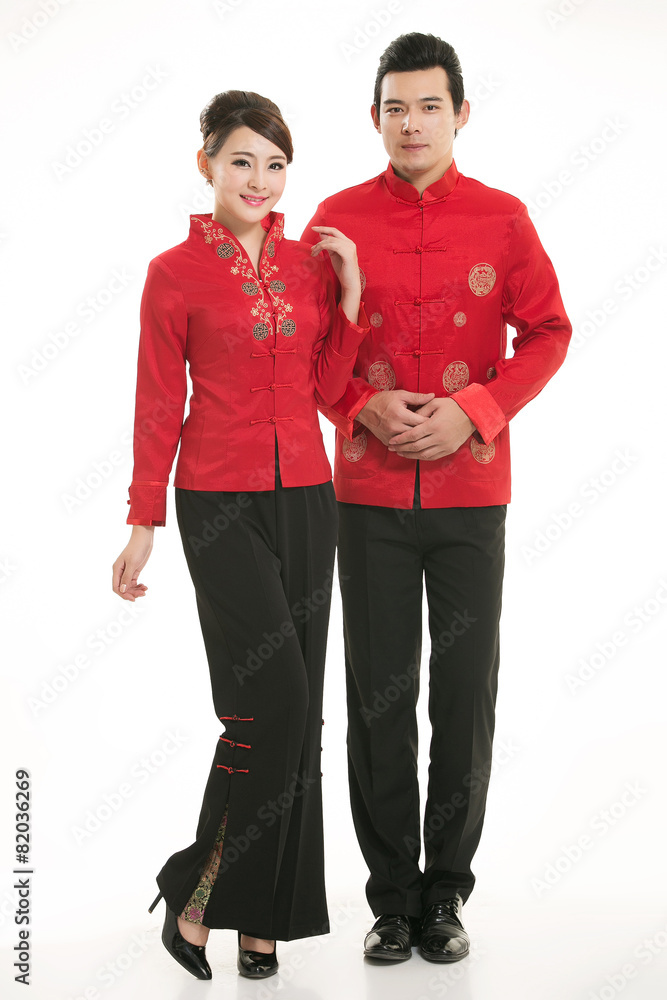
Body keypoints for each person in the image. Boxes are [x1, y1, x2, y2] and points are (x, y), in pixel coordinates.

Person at [300, 32, 572, 964]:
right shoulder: (335, 219)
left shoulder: (503, 218)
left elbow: (547, 331)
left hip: (470, 496)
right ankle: (390, 900)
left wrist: (474, 410)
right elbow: (307, 350)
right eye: (393, 108)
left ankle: (444, 894)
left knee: (463, 695)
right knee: (378, 697)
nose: (409, 123)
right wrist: (359, 403)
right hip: (367, 496)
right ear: (372, 118)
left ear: (459, 113)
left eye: (427, 106)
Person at [112, 89, 369, 981]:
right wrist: (142, 520)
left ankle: (264, 921)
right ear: (207, 165)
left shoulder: (308, 265)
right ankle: (195, 888)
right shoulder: (173, 273)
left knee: (301, 718)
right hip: (217, 503)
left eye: (275, 164)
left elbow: (329, 390)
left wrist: (350, 294)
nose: (259, 180)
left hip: (307, 497)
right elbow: (158, 401)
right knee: (269, 706)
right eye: (241, 161)